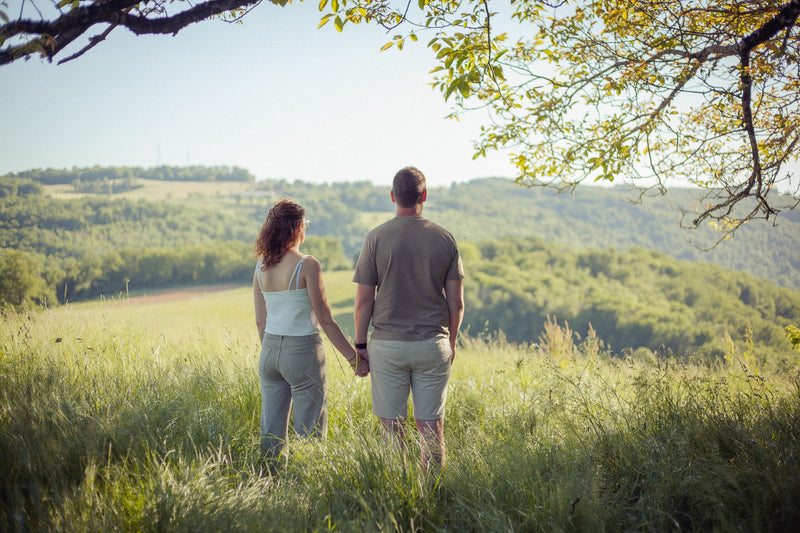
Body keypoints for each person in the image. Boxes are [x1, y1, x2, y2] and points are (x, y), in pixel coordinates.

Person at [353, 166, 465, 471]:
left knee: (392, 431)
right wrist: (451, 342)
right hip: (433, 344)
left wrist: (360, 346)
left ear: (392, 196)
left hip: (387, 346)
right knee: (432, 429)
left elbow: (364, 302)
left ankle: (395, 501)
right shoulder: (445, 239)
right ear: (424, 196)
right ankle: (434, 499)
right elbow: (456, 302)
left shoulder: (374, 238)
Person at [254, 199, 368, 466]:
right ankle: (307, 487)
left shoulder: (261, 267)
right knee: (310, 433)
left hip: (269, 351)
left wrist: (274, 351)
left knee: (271, 433)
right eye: (304, 224)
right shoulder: (308, 265)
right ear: (297, 228)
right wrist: (354, 360)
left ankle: (268, 483)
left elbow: (261, 321)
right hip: (302, 352)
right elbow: (326, 320)